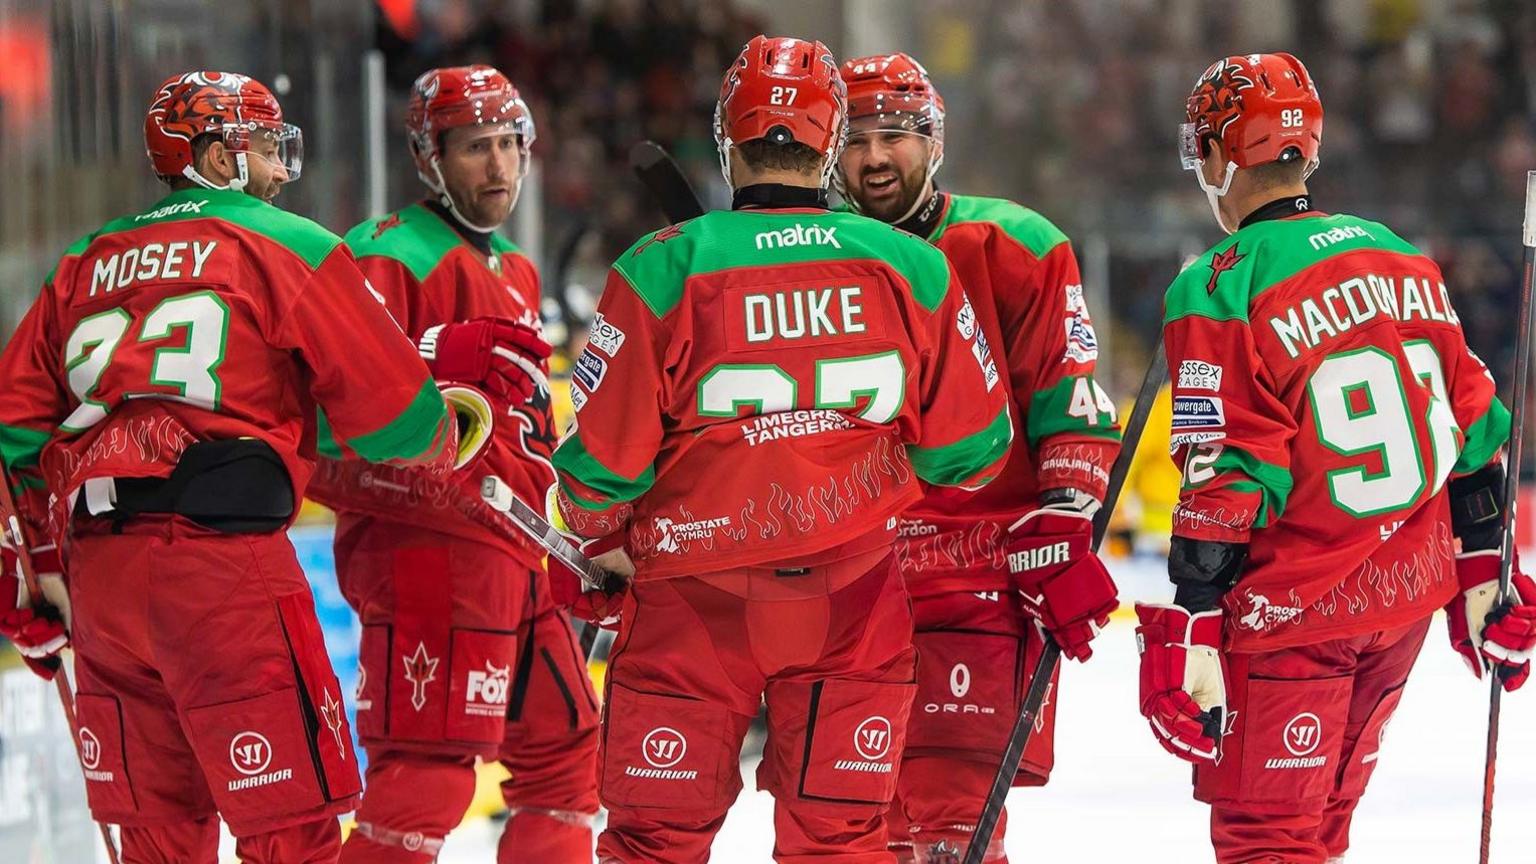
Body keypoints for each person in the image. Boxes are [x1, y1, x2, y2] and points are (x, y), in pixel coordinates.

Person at [547, 35, 1014, 863]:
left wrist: (597, 530)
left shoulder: (661, 267)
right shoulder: (913, 265)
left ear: (729, 139)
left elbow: (602, 470)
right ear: (831, 142)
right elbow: (972, 452)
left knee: (653, 844)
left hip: (693, 603)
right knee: (843, 842)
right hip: (856, 598)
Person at [0, 70, 473, 863]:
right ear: (217, 157)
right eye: (263, 145)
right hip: (222, 575)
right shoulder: (286, 244)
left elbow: (16, 427)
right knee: (289, 834)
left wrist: (43, 567)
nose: (281, 168)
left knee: (156, 843)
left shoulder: (82, 261)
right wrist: (455, 416)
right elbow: (398, 425)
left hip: (101, 579)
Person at [1135, 52, 1536, 863]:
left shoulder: (1220, 282)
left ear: (1218, 153)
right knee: (1321, 830)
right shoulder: (1400, 254)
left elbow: (1226, 469)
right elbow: (1476, 431)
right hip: (1398, 607)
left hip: (1292, 613)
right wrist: (1483, 568)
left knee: (1268, 840)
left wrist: (1196, 619)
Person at [307, 64, 600, 863]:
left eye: (512, 143)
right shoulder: (384, 255)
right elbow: (329, 421)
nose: (500, 166)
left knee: (567, 763)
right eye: (476, 147)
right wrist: (431, 365)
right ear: (429, 155)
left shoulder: (516, 266)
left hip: (516, 553)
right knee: (426, 778)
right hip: (426, 554)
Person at [834, 52, 1123, 863]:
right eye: (855, 140)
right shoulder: (805, 256)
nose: (876, 157)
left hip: (978, 576)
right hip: (846, 579)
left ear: (936, 142)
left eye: (896, 134)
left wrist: (1066, 512)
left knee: (952, 828)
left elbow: (1066, 384)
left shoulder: (1015, 244)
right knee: (857, 827)